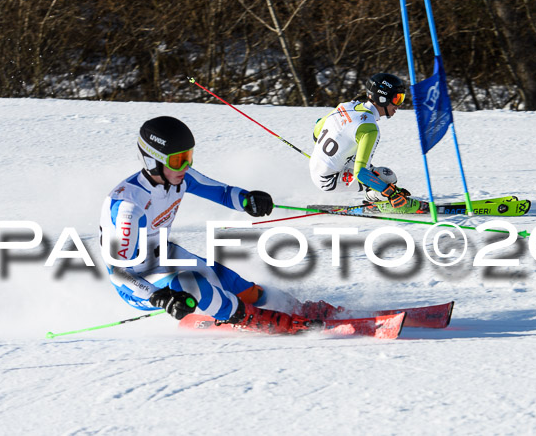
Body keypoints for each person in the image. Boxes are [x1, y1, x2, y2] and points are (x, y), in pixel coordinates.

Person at [99, 116, 326, 334]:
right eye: (178, 160)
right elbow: (118, 273)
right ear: (152, 161)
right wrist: (159, 297)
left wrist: (248, 200)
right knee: (194, 285)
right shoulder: (128, 207)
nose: (186, 166)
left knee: (233, 283)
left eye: (188, 157)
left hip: (165, 256)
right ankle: (254, 319)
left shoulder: (178, 177)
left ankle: (294, 307)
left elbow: (222, 193)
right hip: (138, 282)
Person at [309, 72, 415, 211]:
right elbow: (360, 174)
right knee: (387, 177)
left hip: (315, 165)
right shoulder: (370, 129)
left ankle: (379, 193)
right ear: (382, 99)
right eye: (397, 99)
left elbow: (317, 132)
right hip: (329, 180)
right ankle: (376, 202)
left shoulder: (346, 105)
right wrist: (390, 192)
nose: (399, 105)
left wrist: (330, 157)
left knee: (373, 170)